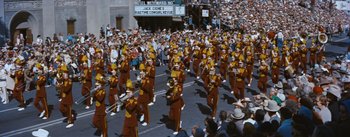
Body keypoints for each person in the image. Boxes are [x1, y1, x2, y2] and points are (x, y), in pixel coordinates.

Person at [59, 64, 76, 128]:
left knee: (68, 110)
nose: (63, 75)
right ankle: (70, 116)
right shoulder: (63, 81)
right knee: (61, 108)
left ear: (67, 74)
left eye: (64, 74)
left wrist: (61, 86)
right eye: (63, 74)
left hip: (68, 98)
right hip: (63, 98)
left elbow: (66, 89)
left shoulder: (69, 81)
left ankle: (71, 122)